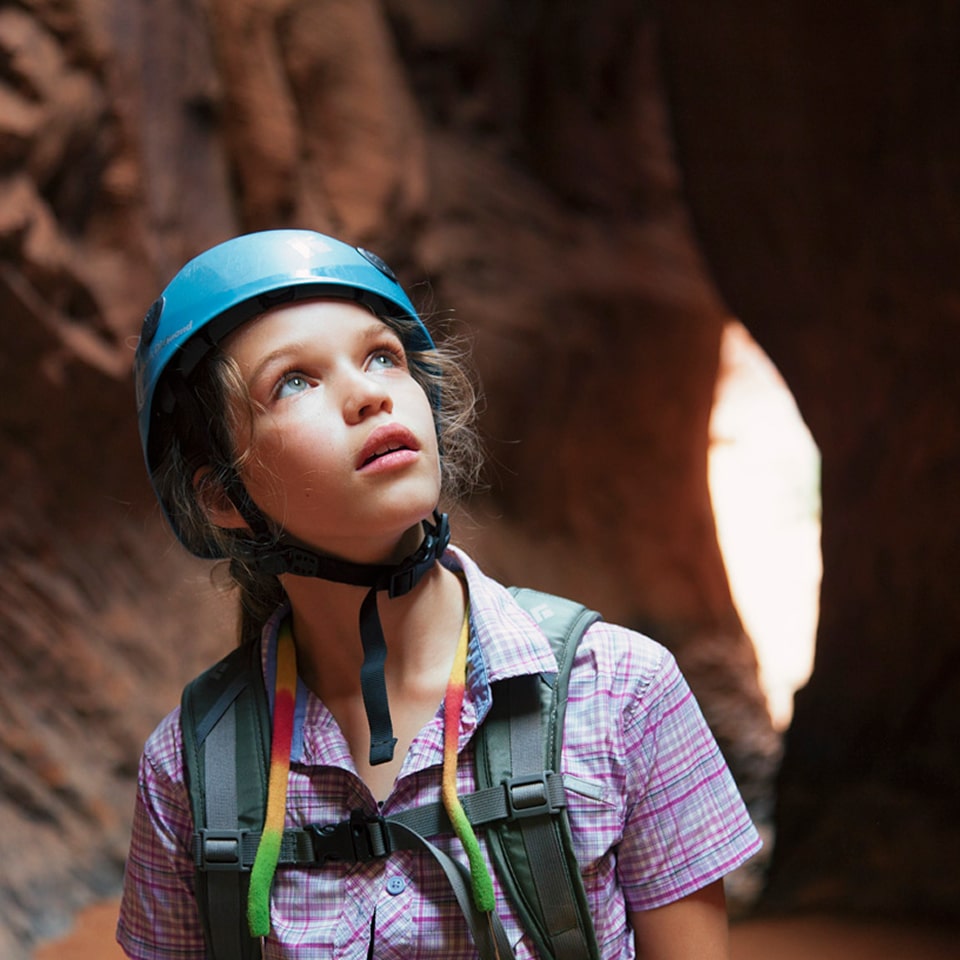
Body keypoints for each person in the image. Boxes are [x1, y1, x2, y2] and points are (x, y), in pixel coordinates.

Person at [117, 228, 762, 960]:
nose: (368, 394)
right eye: (294, 380)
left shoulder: (620, 693)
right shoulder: (188, 770)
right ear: (222, 497)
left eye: (382, 356)